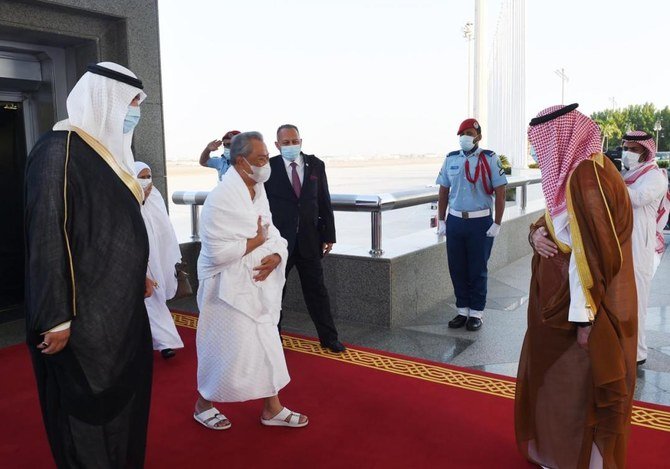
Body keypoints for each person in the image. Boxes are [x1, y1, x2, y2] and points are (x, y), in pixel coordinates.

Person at [24, 62, 153, 467]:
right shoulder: (57, 150)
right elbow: (46, 234)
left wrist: (138, 274)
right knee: (85, 411)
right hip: (81, 318)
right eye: (131, 101)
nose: (135, 110)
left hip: (119, 307)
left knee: (125, 403)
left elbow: (110, 229)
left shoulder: (107, 155)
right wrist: (56, 317)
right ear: (106, 99)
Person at [515, 104, 637, 468]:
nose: (537, 152)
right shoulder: (586, 171)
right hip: (570, 307)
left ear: (561, 137)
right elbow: (561, 223)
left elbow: (592, 256)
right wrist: (534, 233)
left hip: (578, 313)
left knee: (577, 391)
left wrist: (585, 321)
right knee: (566, 390)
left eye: (540, 144)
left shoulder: (587, 178)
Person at [193, 131, 308, 430]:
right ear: (241, 161)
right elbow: (216, 252)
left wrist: (277, 256)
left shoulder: (257, 190)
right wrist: (256, 243)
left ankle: (272, 408)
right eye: (260, 159)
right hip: (224, 291)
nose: (265, 164)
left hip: (255, 288)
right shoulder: (221, 198)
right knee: (224, 351)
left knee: (267, 345)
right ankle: (203, 403)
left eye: (266, 157)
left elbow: (271, 232)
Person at [264, 124, 345, 353]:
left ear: (301, 141)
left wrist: (329, 235)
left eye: (294, 141)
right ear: (277, 145)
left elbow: (323, 200)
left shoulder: (315, 165)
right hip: (279, 243)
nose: (291, 145)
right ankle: (273, 339)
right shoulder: (268, 168)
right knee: (276, 291)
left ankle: (329, 338)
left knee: (317, 291)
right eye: (286, 142)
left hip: (310, 240)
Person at [436, 118, 507, 331]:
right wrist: (441, 220)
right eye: (461, 134)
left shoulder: (490, 159)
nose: (464, 137)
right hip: (456, 221)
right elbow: (443, 191)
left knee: (477, 269)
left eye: (468, 133)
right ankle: (462, 310)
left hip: (480, 223)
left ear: (478, 136)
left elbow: (501, 191)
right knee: (457, 268)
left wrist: (497, 223)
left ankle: (476, 312)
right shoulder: (450, 159)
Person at [621, 131, 669, 365]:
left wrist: (609, 181)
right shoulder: (629, 175)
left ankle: (637, 353)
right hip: (622, 240)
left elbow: (637, 199)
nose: (627, 153)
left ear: (645, 151)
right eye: (626, 148)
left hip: (642, 243)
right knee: (621, 297)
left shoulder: (655, 176)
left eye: (633, 149)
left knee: (637, 298)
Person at [135, 161, 185, 359]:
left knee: (155, 298)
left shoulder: (155, 197)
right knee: (151, 301)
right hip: (139, 259)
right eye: (142, 176)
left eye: (149, 176)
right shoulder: (128, 200)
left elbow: (166, 230)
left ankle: (163, 342)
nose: (147, 181)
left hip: (157, 258)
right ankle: (165, 342)